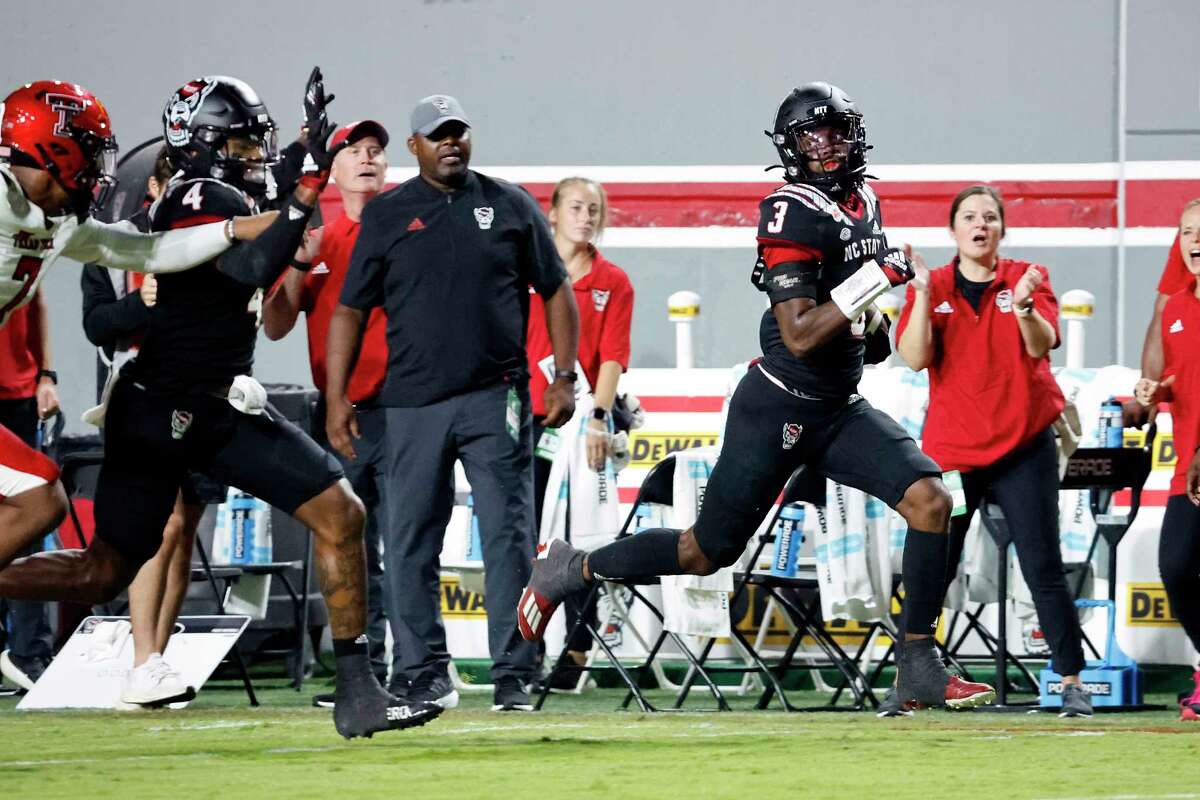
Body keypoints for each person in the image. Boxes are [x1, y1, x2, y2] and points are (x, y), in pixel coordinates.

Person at [516, 81, 995, 712]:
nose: (828, 147)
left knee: (931, 501)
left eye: (836, 132)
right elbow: (798, 334)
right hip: (778, 405)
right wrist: (875, 280)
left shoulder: (862, 199)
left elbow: (856, 322)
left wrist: (873, 323)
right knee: (703, 551)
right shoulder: (788, 209)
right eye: (812, 136)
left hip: (836, 404)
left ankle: (918, 666)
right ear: (791, 148)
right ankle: (570, 568)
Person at [0, 72, 442, 739]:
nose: (251, 154)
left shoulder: (69, 217)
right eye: (238, 143)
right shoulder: (193, 191)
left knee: (333, 514)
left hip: (215, 404)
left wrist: (299, 174)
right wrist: (297, 198)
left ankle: (358, 689)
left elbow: (148, 248)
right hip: (162, 405)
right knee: (71, 534)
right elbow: (243, 266)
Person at [326, 94, 580, 713]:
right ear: (413, 147)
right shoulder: (387, 215)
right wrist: (336, 398)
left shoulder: (510, 203)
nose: (450, 143)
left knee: (509, 538)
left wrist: (565, 376)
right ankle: (421, 671)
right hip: (410, 405)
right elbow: (350, 310)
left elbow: (556, 290)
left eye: (458, 133)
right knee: (408, 537)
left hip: (498, 398)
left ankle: (514, 674)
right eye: (437, 135)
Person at [0, 78, 268, 623]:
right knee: (38, 496)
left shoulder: (56, 221)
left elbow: (141, 248)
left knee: (41, 496)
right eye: (91, 151)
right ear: (57, 147)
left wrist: (232, 229)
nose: (98, 167)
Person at [895, 184, 1091, 718]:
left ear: (1001, 230)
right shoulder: (932, 285)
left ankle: (1071, 680)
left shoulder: (1026, 277)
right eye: (969, 217)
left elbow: (1040, 343)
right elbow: (913, 358)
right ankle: (911, 680)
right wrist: (915, 294)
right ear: (953, 230)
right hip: (954, 456)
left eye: (989, 217)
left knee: (1042, 565)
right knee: (934, 565)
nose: (980, 225)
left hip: (1022, 445)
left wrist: (1025, 306)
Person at [262, 119, 405, 705]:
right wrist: (298, 262)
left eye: (376, 151)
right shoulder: (316, 240)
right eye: (354, 151)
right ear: (334, 171)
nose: (368, 159)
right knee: (352, 541)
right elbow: (274, 326)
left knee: (405, 542)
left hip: (403, 407)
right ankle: (363, 670)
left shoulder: (409, 230)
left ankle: (419, 667)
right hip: (339, 412)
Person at [80, 147, 222, 706]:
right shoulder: (111, 244)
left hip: (203, 395)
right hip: (139, 399)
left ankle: (157, 663)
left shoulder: (208, 239)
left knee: (185, 530)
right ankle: (143, 657)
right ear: (155, 189)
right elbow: (96, 325)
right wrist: (142, 302)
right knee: (157, 529)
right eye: (178, 188)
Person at [526, 176, 633, 688]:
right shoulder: (525, 272)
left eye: (594, 209)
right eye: (576, 207)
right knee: (524, 541)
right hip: (524, 424)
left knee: (581, 542)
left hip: (580, 424)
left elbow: (612, 359)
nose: (586, 217)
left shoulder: (613, 281)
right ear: (551, 213)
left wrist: (597, 418)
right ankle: (521, 655)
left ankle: (574, 656)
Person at [1133, 198, 1200, 721]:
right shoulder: (1176, 307)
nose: (1194, 240)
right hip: (1189, 470)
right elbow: (1182, 376)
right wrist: (1154, 393)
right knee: (1176, 570)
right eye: (1186, 231)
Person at [0, 294, 57, 692]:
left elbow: (34, 301)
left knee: (29, 518)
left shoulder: (20, 233)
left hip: (19, 390)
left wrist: (46, 375)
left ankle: (28, 650)